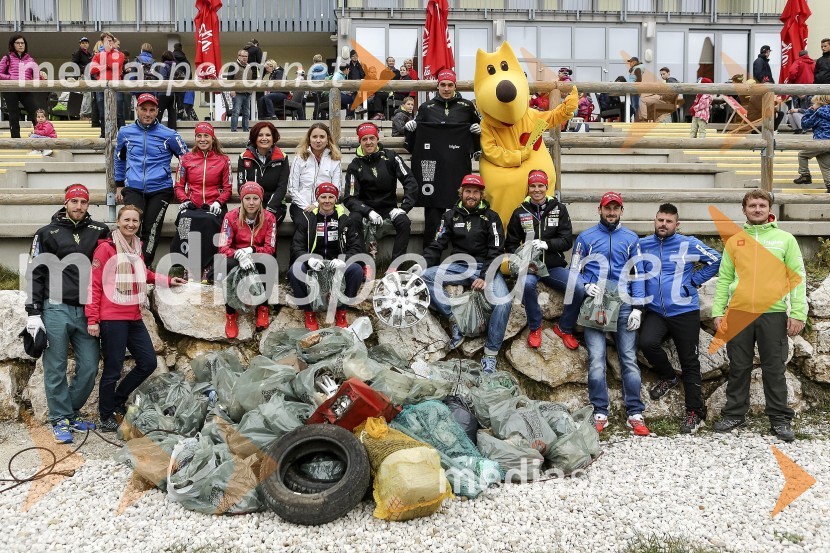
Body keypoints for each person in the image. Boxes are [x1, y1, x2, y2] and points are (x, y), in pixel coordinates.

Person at [712, 189, 807, 442]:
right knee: (738, 367)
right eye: (752, 205)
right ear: (744, 209)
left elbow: (798, 278)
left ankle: (779, 419)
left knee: (774, 369)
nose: (757, 209)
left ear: (769, 209)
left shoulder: (785, 239)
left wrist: (798, 313)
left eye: (761, 205)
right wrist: (718, 312)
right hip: (739, 313)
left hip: (773, 314)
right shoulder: (735, 241)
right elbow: (724, 279)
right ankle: (734, 414)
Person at [87, 205, 186, 431]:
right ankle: (105, 416)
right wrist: (92, 319)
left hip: (133, 314)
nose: (131, 224)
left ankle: (118, 400)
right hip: (112, 317)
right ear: (118, 221)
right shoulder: (106, 249)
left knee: (148, 362)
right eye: (126, 220)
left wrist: (167, 279)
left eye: (135, 221)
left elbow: (144, 273)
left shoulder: (136, 246)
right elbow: (93, 285)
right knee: (113, 368)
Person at [25, 184, 110, 443]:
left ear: (88, 204)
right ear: (66, 203)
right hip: (55, 306)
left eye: (83, 202)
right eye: (74, 201)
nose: (79, 206)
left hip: (86, 309)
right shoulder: (46, 232)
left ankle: (69, 413)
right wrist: (33, 312)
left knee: (89, 365)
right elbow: (35, 273)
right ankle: (60, 419)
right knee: (55, 367)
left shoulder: (100, 231)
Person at [638, 203, 721, 434]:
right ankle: (668, 377)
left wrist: (693, 281)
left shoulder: (688, 243)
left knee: (690, 362)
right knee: (646, 343)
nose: (663, 224)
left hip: (684, 311)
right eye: (660, 220)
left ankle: (695, 413)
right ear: (655, 220)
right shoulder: (644, 244)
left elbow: (717, 260)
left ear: (677, 224)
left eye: (668, 221)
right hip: (656, 311)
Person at [571, 191, 649, 435]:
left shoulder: (631, 238)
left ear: (621, 211)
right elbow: (573, 269)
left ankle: (635, 413)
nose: (611, 212)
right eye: (608, 208)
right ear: (600, 209)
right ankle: (600, 411)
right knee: (596, 360)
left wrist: (638, 307)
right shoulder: (585, 238)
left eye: (616, 208)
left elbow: (638, 275)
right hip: (597, 305)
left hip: (624, 304)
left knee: (628, 359)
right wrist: (584, 284)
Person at [420, 174, 511, 373]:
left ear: (481, 195)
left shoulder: (491, 217)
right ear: (461, 193)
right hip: (458, 266)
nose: (471, 195)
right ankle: (455, 320)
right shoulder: (450, 215)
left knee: (504, 302)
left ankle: (490, 354)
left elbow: (496, 251)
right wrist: (420, 264)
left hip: (484, 267)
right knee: (425, 276)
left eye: (475, 192)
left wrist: (485, 276)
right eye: (467, 191)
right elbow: (437, 245)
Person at [504, 170, 584, 350]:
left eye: (540, 185)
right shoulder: (520, 212)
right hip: (530, 267)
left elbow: (566, 241)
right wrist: (522, 257)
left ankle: (565, 328)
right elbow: (510, 244)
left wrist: (547, 244)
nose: (537, 189)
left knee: (578, 287)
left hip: (554, 266)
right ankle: (535, 327)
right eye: (533, 186)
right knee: (526, 283)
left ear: (546, 187)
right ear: (528, 188)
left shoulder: (559, 209)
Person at [403, 68, 482, 247]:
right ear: (437, 86)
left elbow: (480, 132)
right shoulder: (426, 108)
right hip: (433, 170)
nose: (446, 88)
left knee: (460, 212)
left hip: (458, 167)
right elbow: (413, 141)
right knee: (433, 216)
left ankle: (462, 256)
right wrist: (410, 130)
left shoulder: (467, 106)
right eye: (443, 85)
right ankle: (430, 259)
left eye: (450, 85)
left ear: (455, 86)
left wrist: (479, 132)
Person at [114, 93, 188, 265]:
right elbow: (119, 158)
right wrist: (118, 185)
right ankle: (129, 266)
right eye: (143, 109)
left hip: (160, 189)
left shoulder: (169, 134)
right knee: (132, 226)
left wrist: (180, 185)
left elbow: (187, 160)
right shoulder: (125, 132)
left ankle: (144, 267)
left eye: (152, 110)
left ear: (157, 112)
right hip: (133, 186)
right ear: (137, 110)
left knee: (151, 229)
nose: (147, 113)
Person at [289, 182, 365, 331]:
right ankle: (309, 311)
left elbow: (356, 247)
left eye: (331, 197)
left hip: (336, 263)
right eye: (323, 197)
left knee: (356, 270)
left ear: (336, 199)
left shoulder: (345, 219)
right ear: (317, 198)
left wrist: (343, 260)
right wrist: (308, 259)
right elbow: (296, 247)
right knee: (295, 270)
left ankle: (341, 310)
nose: (327, 201)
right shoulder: (307, 218)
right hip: (314, 263)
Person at [343, 122, 418, 268]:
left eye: (372, 138)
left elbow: (410, 181)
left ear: (377, 139)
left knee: (404, 222)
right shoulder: (355, 165)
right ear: (360, 142)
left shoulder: (391, 157)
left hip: (388, 207)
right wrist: (368, 211)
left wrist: (404, 208)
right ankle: (360, 264)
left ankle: (395, 267)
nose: (369, 142)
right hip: (365, 209)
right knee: (353, 219)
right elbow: (350, 198)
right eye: (364, 139)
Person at [218, 182, 277, 338]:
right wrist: (238, 254)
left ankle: (263, 308)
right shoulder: (230, 216)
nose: (251, 203)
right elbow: (223, 246)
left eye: (255, 198)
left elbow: (270, 248)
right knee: (227, 264)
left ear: (261, 200)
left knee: (268, 261)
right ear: (242, 200)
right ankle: (231, 313)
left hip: (257, 255)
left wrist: (252, 250)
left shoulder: (269, 218)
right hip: (236, 256)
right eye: (247, 198)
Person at [174, 122, 232, 281]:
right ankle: (189, 266)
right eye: (199, 136)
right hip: (192, 204)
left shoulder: (223, 160)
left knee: (210, 220)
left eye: (206, 135)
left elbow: (228, 188)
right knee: (185, 219)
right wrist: (184, 200)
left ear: (212, 138)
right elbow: (179, 185)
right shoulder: (186, 159)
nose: (202, 139)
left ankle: (208, 266)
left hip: (213, 207)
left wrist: (219, 202)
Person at [288, 123, 342, 224]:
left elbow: (336, 189)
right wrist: (307, 206)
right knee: (305, 223)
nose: (318, 140)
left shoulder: (335, 160)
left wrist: (317, 205)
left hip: (326, 205)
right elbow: (292, 188)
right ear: (309, 139)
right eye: (314, 137)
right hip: (301, 206)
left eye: (322, 137)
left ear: (328, 139)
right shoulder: (299, 158)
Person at [236, 121, 290, 223]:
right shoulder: (244, 157)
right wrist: (253, 206)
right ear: (254, 137)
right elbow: (241, 186)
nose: (264, 138)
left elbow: (282, 187)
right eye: (260, 135)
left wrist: (269, 208)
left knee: (265, 221)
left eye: (268, 135)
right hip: (251, 204)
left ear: (273, 138)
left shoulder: (282, 158)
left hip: (275, 206)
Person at [0, 34, 47, 139]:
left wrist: (41, 76)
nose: (21, 45)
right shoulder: (7, 58)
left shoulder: (30, 60)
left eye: (22, 43)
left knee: (35, 112)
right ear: (13, 45)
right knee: (14, 115)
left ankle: (40, 136)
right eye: (18, 43)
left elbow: (36, 77)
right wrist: (11, 78)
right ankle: (16, 139)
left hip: (25, 89)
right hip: (11, 89)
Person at [89, 31, 125, 137]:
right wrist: (105, 66)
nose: (108, 42)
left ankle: (123, 136)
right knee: (103, 113)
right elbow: (92, 70)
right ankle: (104, 135)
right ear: (102, 42)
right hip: (101, 86)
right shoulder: (97, 55)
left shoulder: (120, 54)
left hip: (116, 86)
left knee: (118, 113)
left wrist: (107, 56)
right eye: (106, 40)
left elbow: (113, 64)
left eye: (110, 40)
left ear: (113, 42)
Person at [792, 95, 830, 192]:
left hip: (820, 141)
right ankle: (829, 185)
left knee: (802, 155)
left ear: (819, 102)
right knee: (825, 164)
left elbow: (805, 125)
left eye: (814, 103)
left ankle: (805, 175)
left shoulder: (819, 112)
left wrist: (810, 110)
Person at [225, 49, 251, 133]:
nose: (244, 58)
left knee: (246, 113)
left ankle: (246, 130)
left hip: (247, 93)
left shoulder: (249, 67)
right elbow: (229, 79)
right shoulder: (233, 65)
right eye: (243, 56)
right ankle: (233, 130)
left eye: (246, 56)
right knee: (236, 111)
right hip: (237, 93)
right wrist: (232, 90)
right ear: (238, 56)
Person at [71, 36, 94, 118]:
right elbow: (74, 64)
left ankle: (86, 112)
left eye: (86, 43)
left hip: (88, 75)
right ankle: (84, 113)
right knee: (86, 94)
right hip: (83, 76)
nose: (85, 44)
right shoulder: (78, 53)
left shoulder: (89, 54)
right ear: (80, 44)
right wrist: (80, 72)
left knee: (89, 94)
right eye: (83, 43)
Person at [155, 50, 177, 130]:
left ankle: (155, 131)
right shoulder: (174, 66)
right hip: (172, 93)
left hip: (163, 93)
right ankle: (173, 132)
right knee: (172, 115)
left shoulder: (163, 66)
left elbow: (163, 79)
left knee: (159, 113)